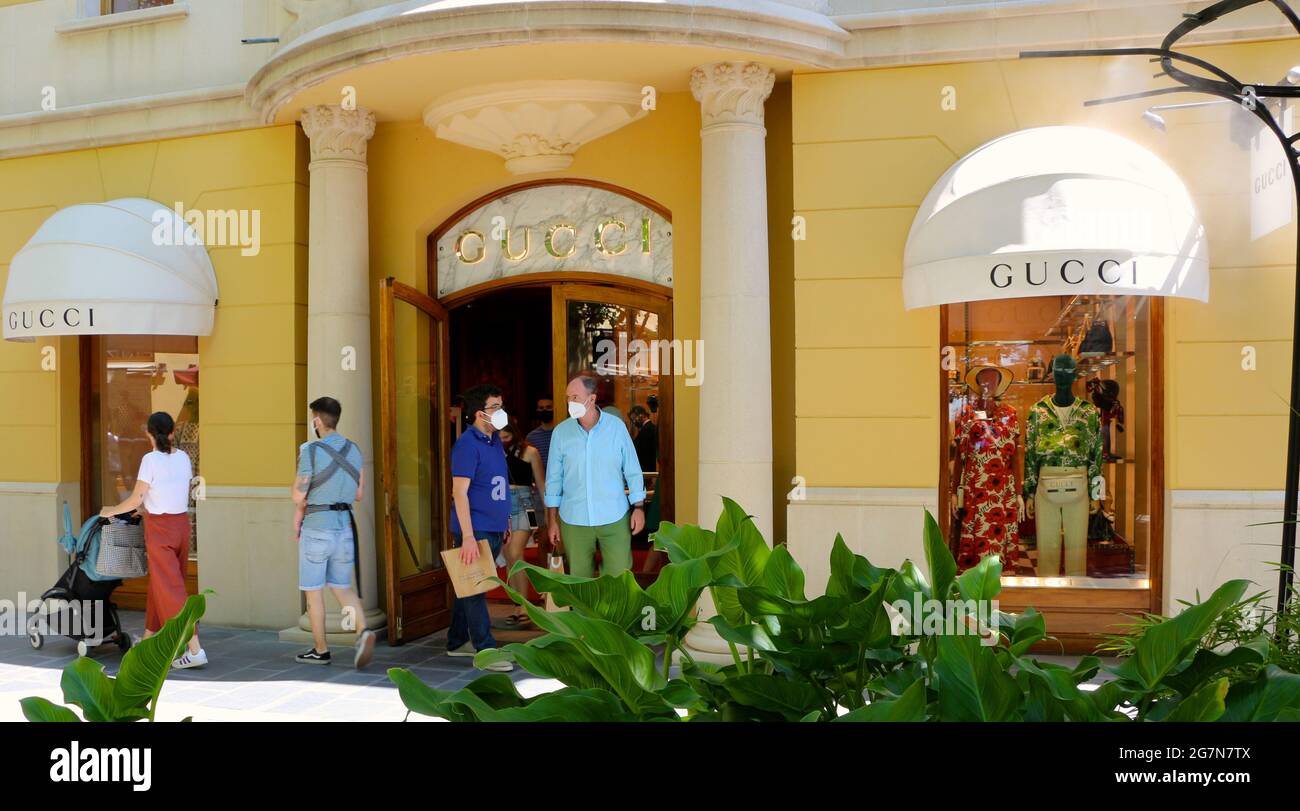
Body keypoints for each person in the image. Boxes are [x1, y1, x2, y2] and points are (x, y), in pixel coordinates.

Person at [99, 411, 205, 669]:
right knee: (164, 584)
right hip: (181, 526)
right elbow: (173, 490)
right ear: (171, 433)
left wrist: (110, 510)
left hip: (160, 530)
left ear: (149, 433)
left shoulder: (150, 459)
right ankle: (148, 642)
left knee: (170, 589)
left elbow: (136, 497)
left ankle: (195, 648)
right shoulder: (182, 458)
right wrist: (147, 506)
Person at [291, 396, 376, 669]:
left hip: (317, 527)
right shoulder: (355, 450)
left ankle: (321, 649)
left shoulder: (310, 450)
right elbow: (359, 494)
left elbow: (298, 495)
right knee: (342, 586)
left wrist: (300, 499)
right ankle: (362, 631)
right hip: (345, 526)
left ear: (317, 420)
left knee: (313, 592)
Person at [545, 375, 646, 578]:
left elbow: (632, 469)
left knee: (619, 577)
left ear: (591, 399)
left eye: (575, 396)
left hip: (614, 515)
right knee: (580, 581)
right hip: (574, 518)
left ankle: (614, 611)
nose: (570, 402)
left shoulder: (616, 428)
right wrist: (552, 520)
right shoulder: (561, 433)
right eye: (567, 398)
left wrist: (639, 507)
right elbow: (554, 479)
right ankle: (584, 612)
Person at [446, 383, 514, 672]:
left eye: (501, 405)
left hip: (495, 525)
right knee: (476, 588)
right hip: (476, 529)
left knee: (469, 585)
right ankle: (485, 650)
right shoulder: (467, 444)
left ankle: (456, 641)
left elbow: (497, 483)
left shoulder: (494, 441)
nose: (500, 412)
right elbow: (459, 492)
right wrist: (469, 536)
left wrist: (506, 517)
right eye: (494, 407)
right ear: (479, 413)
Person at [495, 422, 546, 629]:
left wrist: (551, 517)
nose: (503, 442)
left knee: (516, 552)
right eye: (499, 438)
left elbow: (541, 485)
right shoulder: (495, 452)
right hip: (501, 503)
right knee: (508, 554)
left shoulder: (530, 452)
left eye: (506, 438)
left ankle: (524, 606)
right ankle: (518, 604)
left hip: (525, 503)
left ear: (514, 434)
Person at [525, 397, 556, 471]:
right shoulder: (531, 437)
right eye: (541, 408)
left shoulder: (560, 433)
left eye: (548, 407)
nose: (544, 410)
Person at [629, 404, 658, 473]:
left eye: (634, 418)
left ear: (641, 415)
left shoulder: (646, 430)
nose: (634, 422)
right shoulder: (651, 428)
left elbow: (642, 452)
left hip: (646, 469)